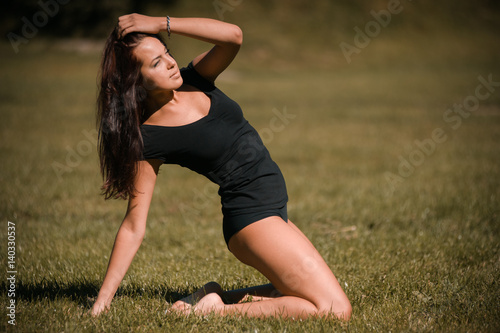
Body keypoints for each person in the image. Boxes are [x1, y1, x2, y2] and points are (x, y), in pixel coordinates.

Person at [91, 13, 352, 320]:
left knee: (294, 293)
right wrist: (102, 302)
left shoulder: (195, 79)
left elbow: (233, 37)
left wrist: (161, 24)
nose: (171, 63)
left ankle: (212, 296)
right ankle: (216, 311)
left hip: (273, 209)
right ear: (136, 82)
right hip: (253, 219)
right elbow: (134, 225)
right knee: (335, 310)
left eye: (167, 53)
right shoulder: (149, 137)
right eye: (156, 63)